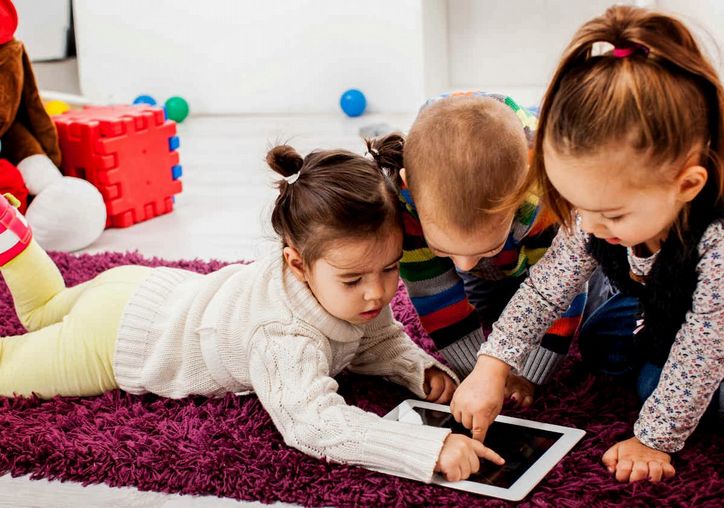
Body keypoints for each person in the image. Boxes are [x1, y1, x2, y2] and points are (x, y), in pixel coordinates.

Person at [0, 144, 505, 483]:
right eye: (353, 280)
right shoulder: (282, 336)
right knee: (11, 367)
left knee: (45, 309)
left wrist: (419, 371)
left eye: (390, 268)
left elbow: (376, 339)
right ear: (297, 264)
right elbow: (314, 425)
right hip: (115, 339)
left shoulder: (345, 288)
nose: (377, 294)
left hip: (142, 287)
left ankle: (13, 238)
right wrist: (425, 449)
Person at [451, 5, 724, 484]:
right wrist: (492, 364)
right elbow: (544, 290)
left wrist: (654, 439)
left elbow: (705, 349)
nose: (590, 226)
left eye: (612, 215)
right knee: (602, 343)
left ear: (687, 185)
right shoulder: (596, 213)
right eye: (578, 206)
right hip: (666, 309)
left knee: (656, 386)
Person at [367, 92, 586, 401]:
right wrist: (477, 373)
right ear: (409, 187)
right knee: (492, 306)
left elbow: (562, 288)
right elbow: (435, 296)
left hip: (554, 242)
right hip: (503, 260)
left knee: (589, 290)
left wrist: (529, 374)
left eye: (485, 249)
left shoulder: (544, 194)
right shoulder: (407, 203)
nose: (464, 266)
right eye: (444, 250)